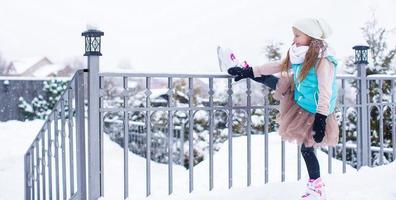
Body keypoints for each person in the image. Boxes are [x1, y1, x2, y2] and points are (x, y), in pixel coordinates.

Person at [226, 18, 339, 200]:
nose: (293, 39)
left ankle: (317, 187)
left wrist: (321, 118)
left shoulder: (323, 60)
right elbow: (279, 65)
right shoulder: (298, 53)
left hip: (316, 108)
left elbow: (325, 90)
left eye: (297, 35)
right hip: (301, 97)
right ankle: (246, 70)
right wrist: (253, 70)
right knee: (278, 83)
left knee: (307, 149)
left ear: (310, 36)